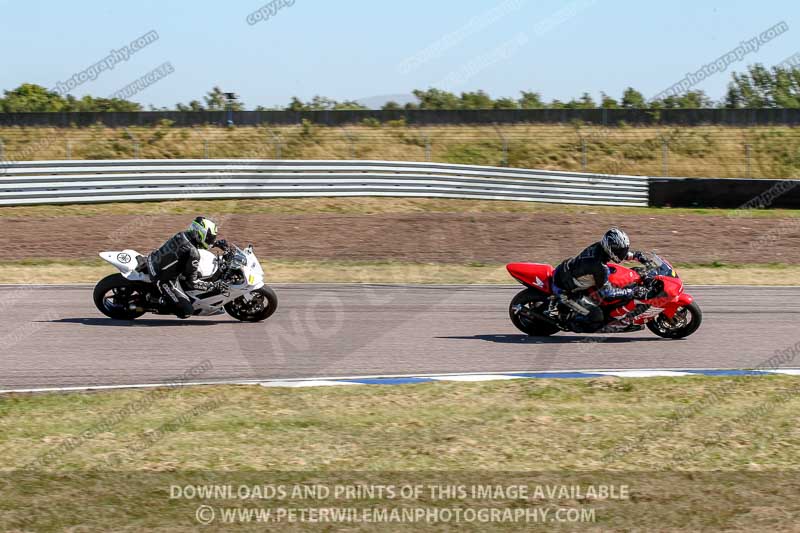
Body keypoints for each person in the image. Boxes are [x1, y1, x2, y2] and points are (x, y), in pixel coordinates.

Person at [548, 228, 649, 331]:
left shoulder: (600, 247)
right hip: (565, 291)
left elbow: (618, 254)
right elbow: (607, 294)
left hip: (568, 272)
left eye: (623, 250)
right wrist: (632, 292)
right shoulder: (599, 266)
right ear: (610, 248)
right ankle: (568, 321)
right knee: (597, 317)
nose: (622, 253)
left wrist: (635, 256)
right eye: (620, 251)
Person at [143, 216, 229, 318]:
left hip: (152, 259)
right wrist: (213, 286)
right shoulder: (193, 253)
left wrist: (215, 244)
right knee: (187, 311)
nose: (211, 239)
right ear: (201, 233)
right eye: (210, 237)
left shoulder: (182, 235)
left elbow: (192, 246)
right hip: (162, 278)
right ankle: (157, 300)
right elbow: (192, 283)